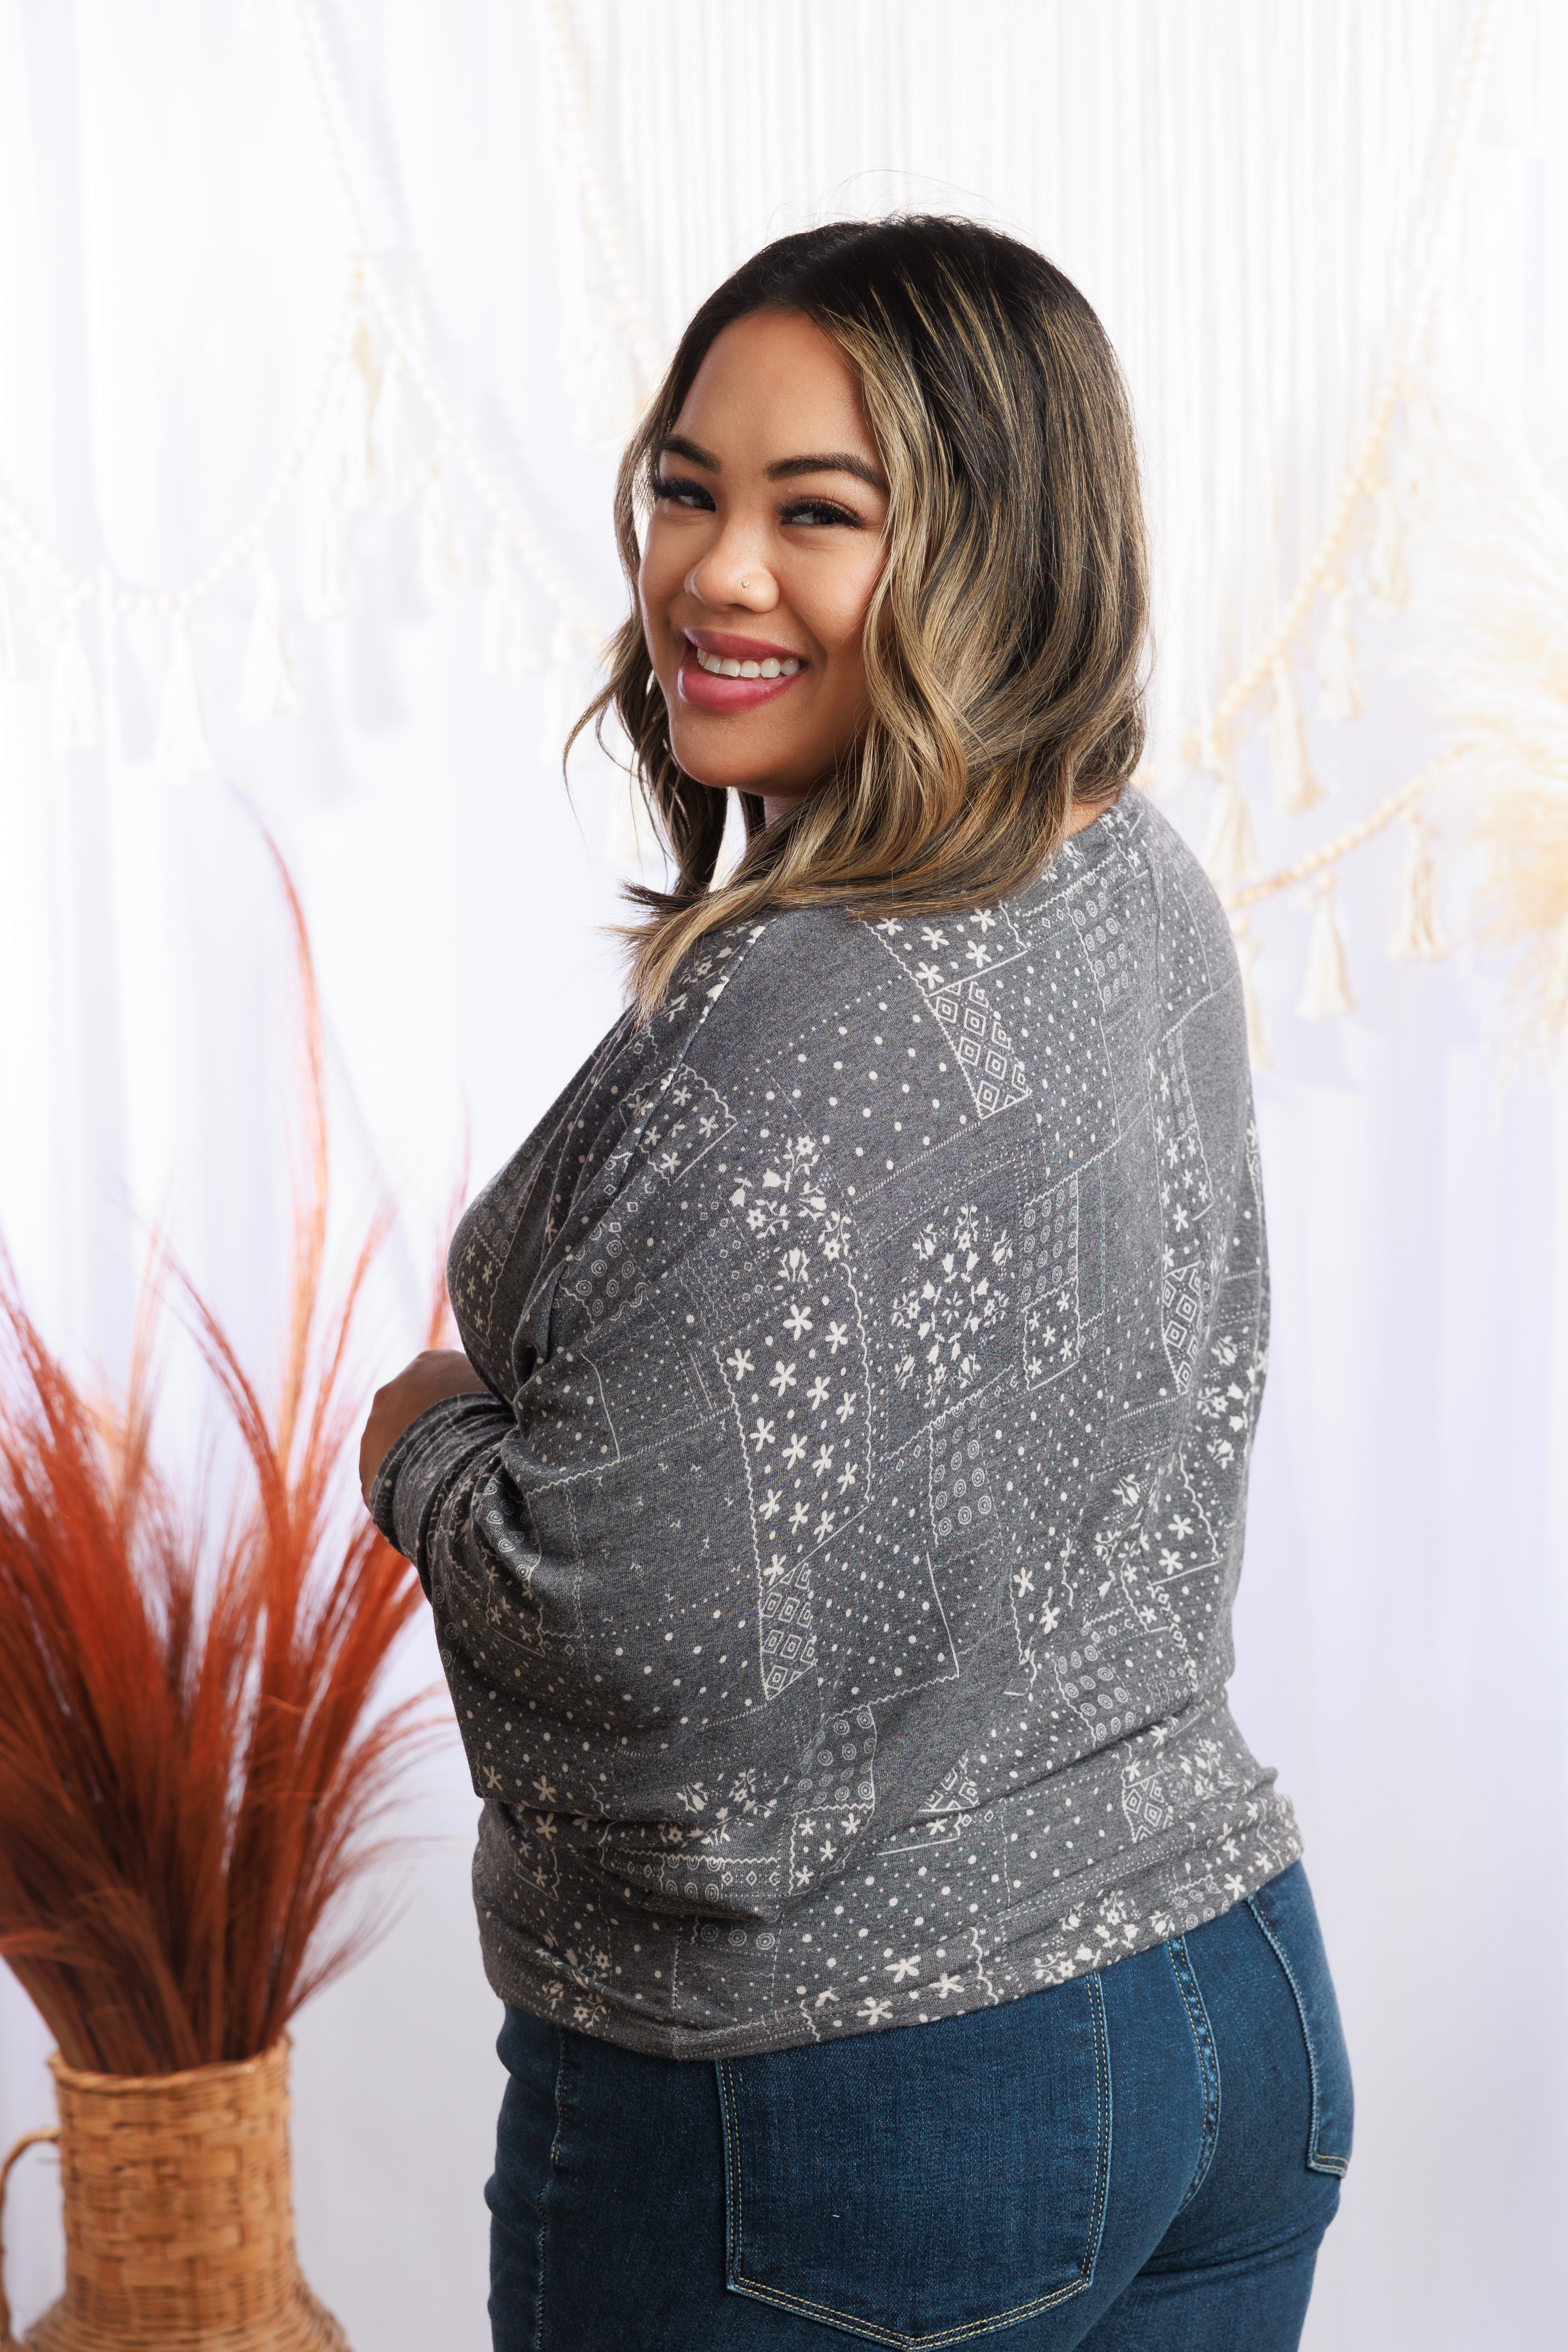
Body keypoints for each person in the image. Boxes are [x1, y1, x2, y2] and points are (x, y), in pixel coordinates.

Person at [361, 218, 1351, 2352]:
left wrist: (424, 1448)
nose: (715, 574)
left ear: (1004, 547)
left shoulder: (805, 1021)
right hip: (1228, 1994)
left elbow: (631, 1644)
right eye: (687, 488)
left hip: (853, 2113)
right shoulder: (1130, 868)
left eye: (821, 514)